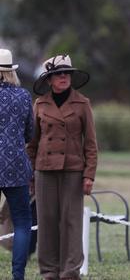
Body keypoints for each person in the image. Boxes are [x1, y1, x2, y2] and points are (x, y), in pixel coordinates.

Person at [26, 54, 98, 280]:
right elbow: (32, 143)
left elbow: (91, 144)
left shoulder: (82, 103)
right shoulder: (40, 104)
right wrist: (29, 174)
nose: (63, 77)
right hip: (43, 170)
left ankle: (69, 272)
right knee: (46, 223)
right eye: (58, 74)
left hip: (72, 170)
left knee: (71, 222)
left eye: (67, 73)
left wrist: (89, 175)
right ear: (49, 80)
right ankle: (49, 271)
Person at [0, 49, 33, 280]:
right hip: (15, 166)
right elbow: (30, 132)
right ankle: (17, 275)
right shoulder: (23, 97)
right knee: (22, 222)